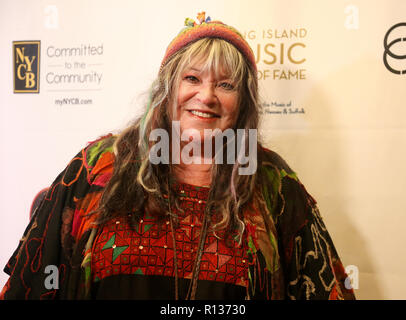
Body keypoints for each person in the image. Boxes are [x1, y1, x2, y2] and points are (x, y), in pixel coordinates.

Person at [1, 12, 355, 300]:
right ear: (167, 89)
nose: (207, 96)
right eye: (192, 78)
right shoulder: (98, 167)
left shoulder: (273, 182)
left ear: (243, 102)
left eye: (226, 85)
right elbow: (32, 284)